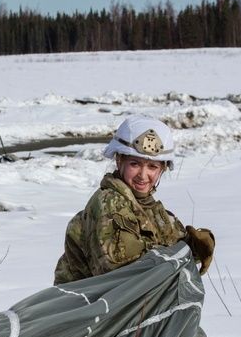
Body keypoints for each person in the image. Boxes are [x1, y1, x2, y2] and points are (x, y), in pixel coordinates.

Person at [54, 115, 215, 285]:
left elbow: (167, 245)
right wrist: (176, 254)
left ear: (162, 169)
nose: (143, 175)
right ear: (119, 160)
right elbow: (121, 268)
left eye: (152, 166)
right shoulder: (109, 205)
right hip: (91, 307)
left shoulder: (149, 207)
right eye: (134, 164)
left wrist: (195, 247)